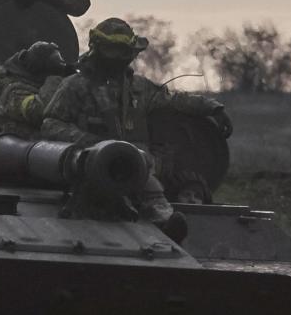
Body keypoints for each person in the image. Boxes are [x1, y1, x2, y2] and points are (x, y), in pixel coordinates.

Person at [41, 18, 232, 226]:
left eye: (124, 51)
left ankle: (163, 220)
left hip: (137, 170)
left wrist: (213, 108)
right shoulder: (75, 86)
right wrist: (89, 142)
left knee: (156, 202)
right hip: (87, 169)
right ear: (98, 50)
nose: (120, 58)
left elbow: (174, 100)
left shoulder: (139, 88)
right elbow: (51, 124)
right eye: (113, 50)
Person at [0, 41, 73, 138]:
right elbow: (38, 113)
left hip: (45, 143)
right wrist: (54, 79)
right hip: (23, 146)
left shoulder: (40, 84)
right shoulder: (14, 91)